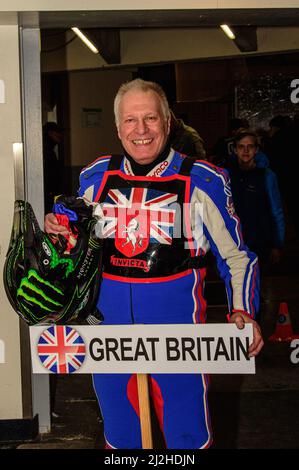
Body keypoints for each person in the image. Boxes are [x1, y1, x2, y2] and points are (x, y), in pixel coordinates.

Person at [45, 79, 263, 449]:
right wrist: (57, 231)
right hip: (107, 332)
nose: (141, 130)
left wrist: (243, 309)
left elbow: (237, 257)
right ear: (118, 128)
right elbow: (73, 242)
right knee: (120, 434)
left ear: (168, 122)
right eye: (130, 120)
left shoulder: (202, 180)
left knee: (187, 434)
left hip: (179, 335)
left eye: (150, 118)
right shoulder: (95, 177)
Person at [227, 129, 285, 267]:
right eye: (241, 147)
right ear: (235, 150)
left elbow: (276, 211)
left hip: (261, 241)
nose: (245, 151)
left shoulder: (267, 176)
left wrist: (277, 244)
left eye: (250, 146)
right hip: (234, 242)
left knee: (259, 284)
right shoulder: (226, 176)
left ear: (256, 150)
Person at [43, 121, 64, 213]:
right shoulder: (47, 150)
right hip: (48, 191)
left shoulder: (48, 148)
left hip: (49, 190)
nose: (60, 135)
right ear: (50, 133)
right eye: (58, 132)